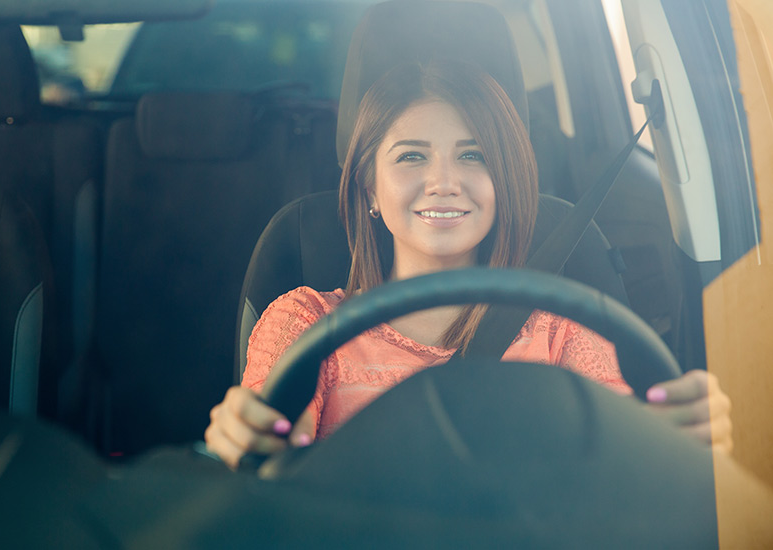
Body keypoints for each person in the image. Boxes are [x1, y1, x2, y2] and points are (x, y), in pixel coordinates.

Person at [204, 60, 733, 469]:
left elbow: (623, 460)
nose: (444, 182)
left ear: (504, 181)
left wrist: (673, 437)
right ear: (369, 184)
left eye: (473, 155)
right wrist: (249, 442)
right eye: (411, 156)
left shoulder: (561, 333)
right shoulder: (307, 325)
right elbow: (265, 456)